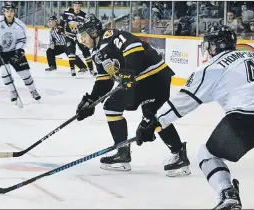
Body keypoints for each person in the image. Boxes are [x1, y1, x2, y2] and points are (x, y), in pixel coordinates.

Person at [136, 25, 254, 209]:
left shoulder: (212, 67)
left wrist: (154, 122)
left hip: (247, 118)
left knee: (208, 155)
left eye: (209, 45)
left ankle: (227, 194)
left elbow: (184, 100)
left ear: (215, 46)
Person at [76, 14, 190, 176]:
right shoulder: (97, 53)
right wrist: (91, 100)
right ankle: (177, 155)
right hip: (142, 81)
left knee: (140, 112)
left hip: (152, 76)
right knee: (150, 114)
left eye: (83, 36)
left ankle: (124, 153)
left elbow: (134, 47)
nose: (82, 40)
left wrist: (129, 71)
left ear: (93, 32)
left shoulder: (110, 36)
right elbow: (104, 79)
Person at [0, 1, 41, 104]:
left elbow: (22, 40)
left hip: (14, 51)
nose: (9, 13)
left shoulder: (20, 25)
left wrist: (19, 51)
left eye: (12, 11)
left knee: (25, 74)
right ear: (3, 11)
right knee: (5, 72)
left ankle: (33, 90)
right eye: (7, 10)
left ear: (15, 12)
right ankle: (12, 91)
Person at [58, 1, 96, 76]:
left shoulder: (84, 15)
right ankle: (72, 69)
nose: (77, 7)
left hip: (80, 36)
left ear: (80, 7)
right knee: (71, 51)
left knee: (86, 51)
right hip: (69, 35)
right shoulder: (67, 12)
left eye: (78, 6)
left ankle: (91, 70)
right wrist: (60, 28)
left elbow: (87, 26)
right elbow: (62, 20)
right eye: (75, 5)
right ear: (73, 6)